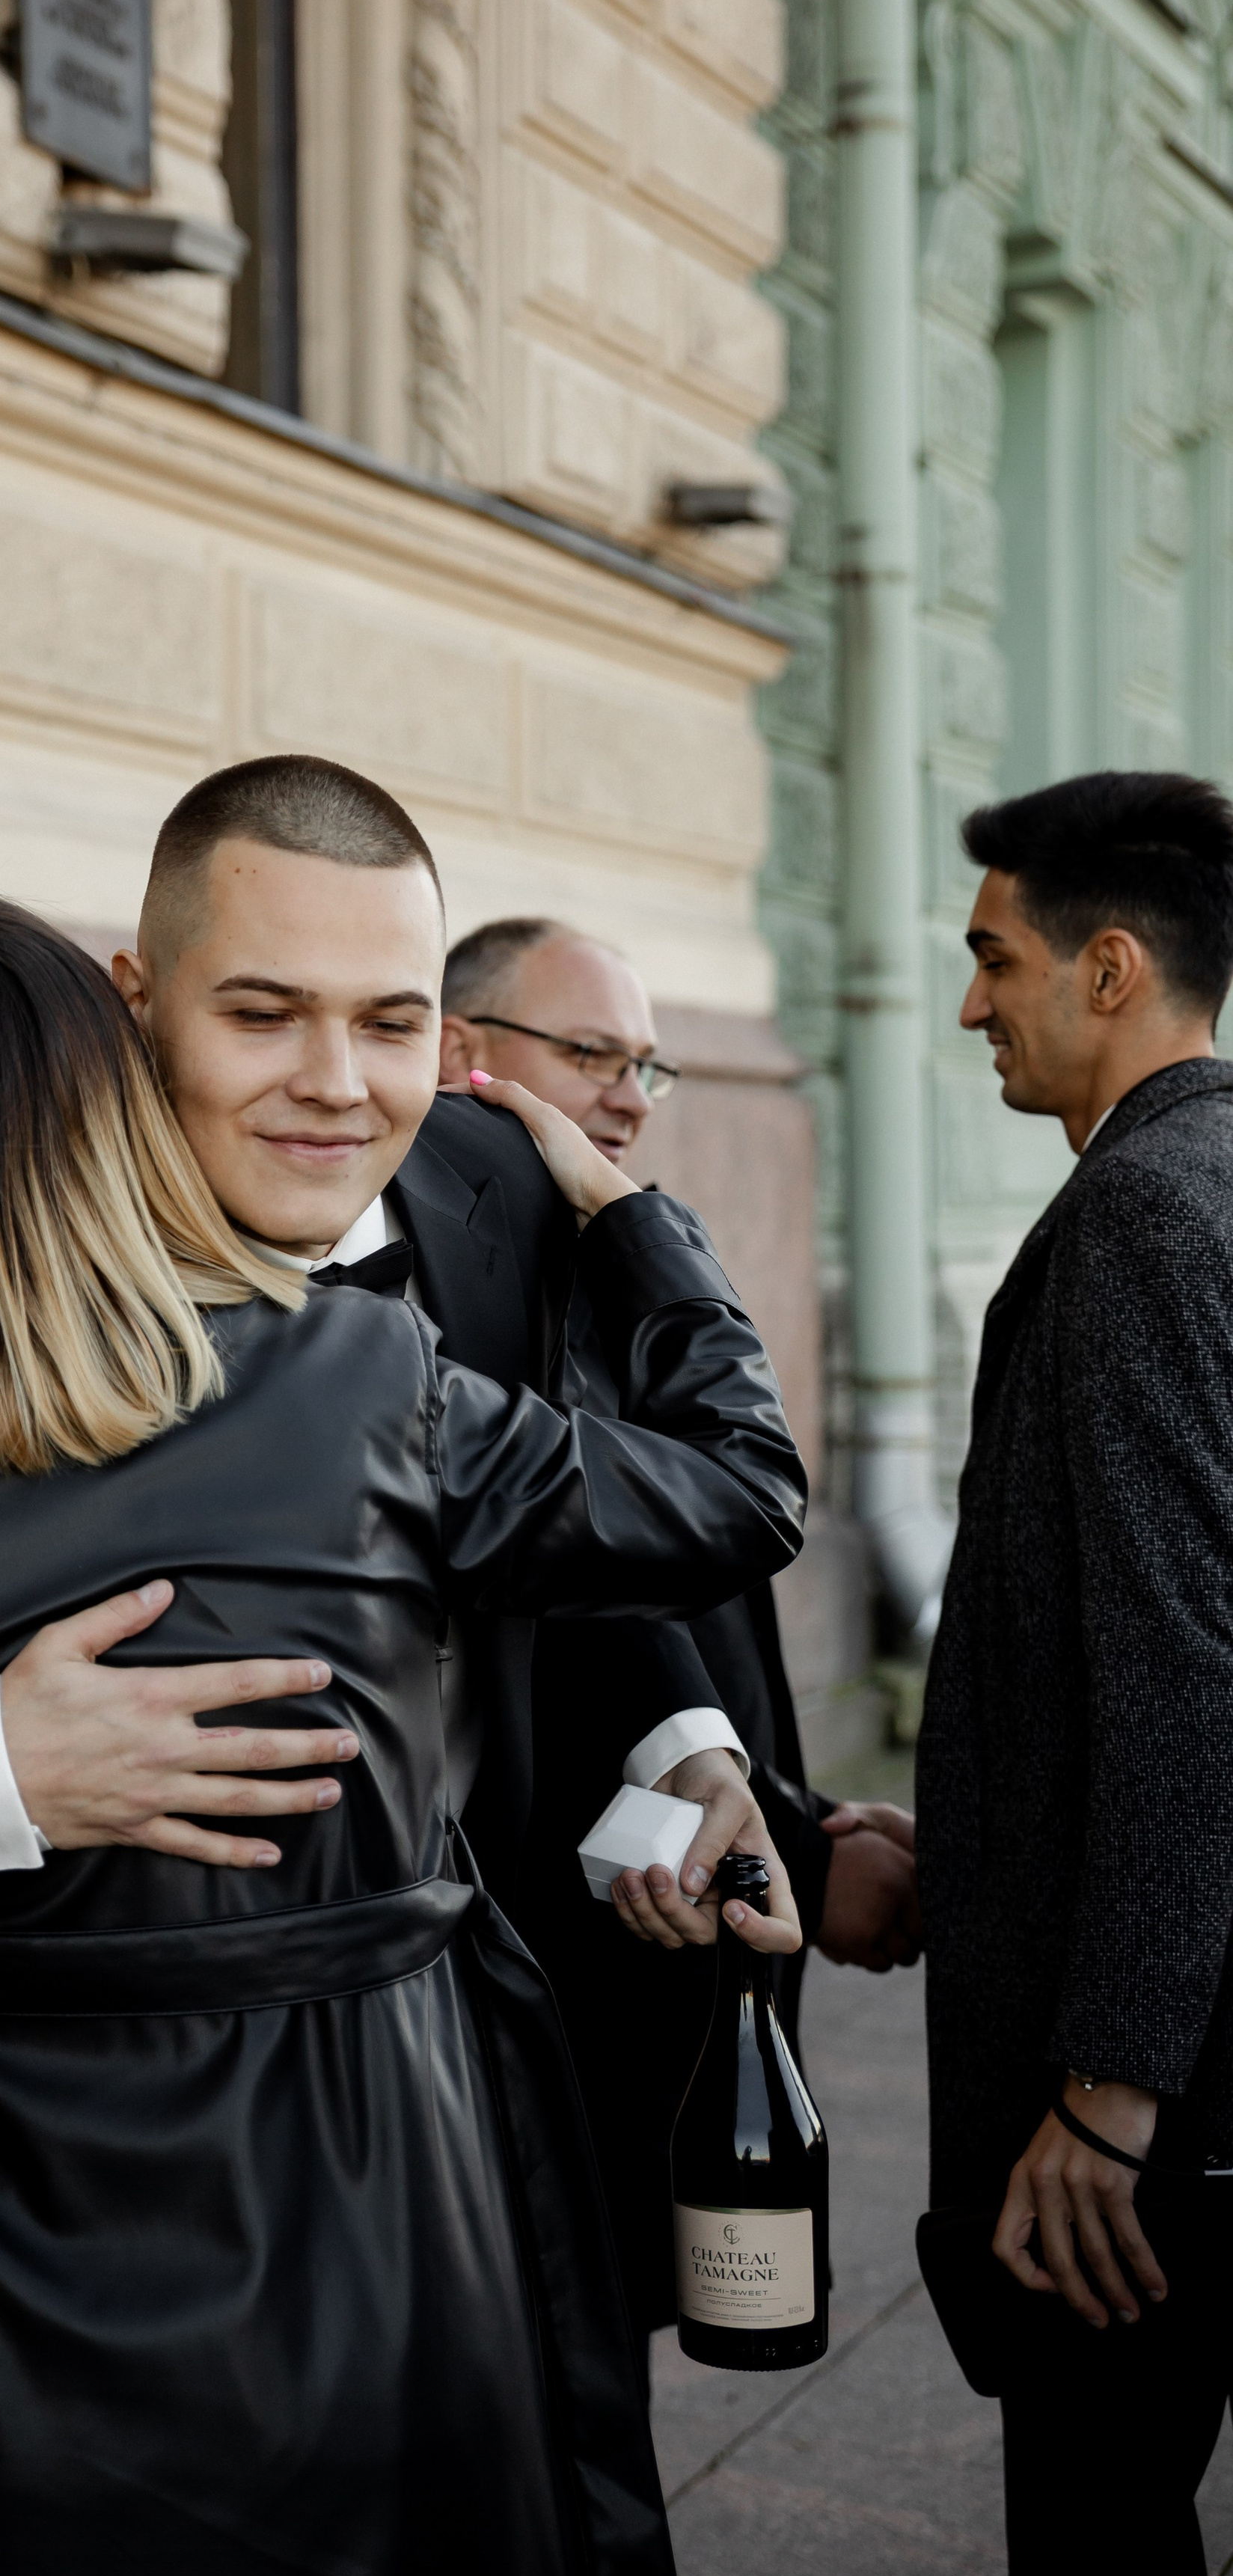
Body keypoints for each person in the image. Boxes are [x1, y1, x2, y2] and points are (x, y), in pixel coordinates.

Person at [0, 890, 807, 2576]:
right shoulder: (359, 1379)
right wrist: (633, 1218)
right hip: (332, 2188)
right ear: (115, 1089)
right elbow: (739, 1485)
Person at [0, 760, 772, 1941]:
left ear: (444, 1035)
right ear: (136, 1002)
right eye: (262, 1014)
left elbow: (578, 1504)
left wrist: (683, 1736)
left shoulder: (509, 1179)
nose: (337, 1086)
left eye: (389, 1024)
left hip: (482, 2024)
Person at [439, 917, 921, 2346]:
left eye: (647, 1064)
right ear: (467, 1058)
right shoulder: (474, 1299)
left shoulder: (595, 1262)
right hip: (573, 1947)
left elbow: (684, 1614)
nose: (634, 1098)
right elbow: (587, 1616)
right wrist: (780, 1830)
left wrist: (797, 1816)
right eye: (591, 1054)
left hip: (704, 1892)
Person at [920, 771, 1233, 2576]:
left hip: (1154, 2110)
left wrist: (1108, 2087)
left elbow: (1190, 1666)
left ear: (1107, 968)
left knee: (1102, 2537)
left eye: (993, 958)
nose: (972, 1004)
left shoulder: (1137, 1217)